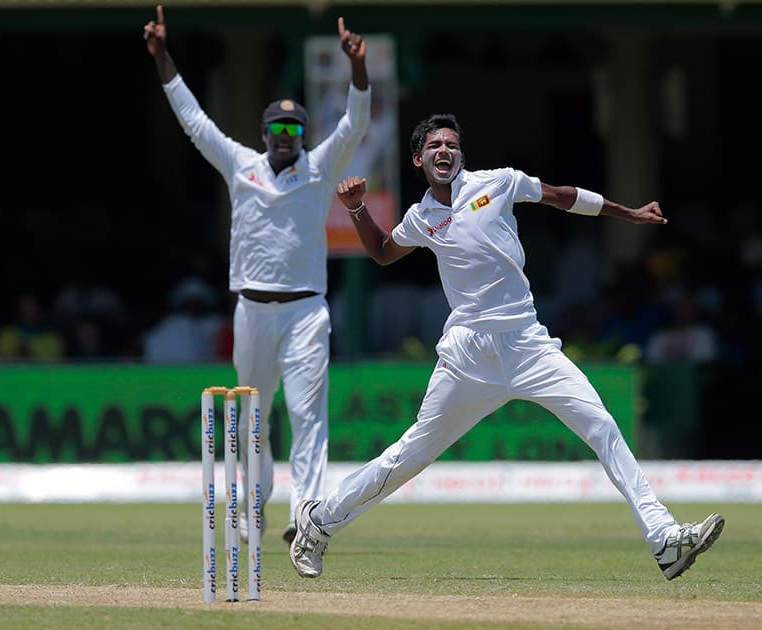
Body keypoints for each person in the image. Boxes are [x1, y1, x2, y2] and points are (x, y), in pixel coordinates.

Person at [289, 114, 724, 581]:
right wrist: (356, 209)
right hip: (468, 357)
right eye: (434, 145)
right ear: (419, 159)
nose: (444, 151)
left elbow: (562, 197)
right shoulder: (421, 217)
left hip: (528, 343)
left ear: (461, 155)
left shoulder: (497, 183)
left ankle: (665, 540)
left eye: (452, 145)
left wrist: (630, 213)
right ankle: (319, 522)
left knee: (602, 425)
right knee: (410, 454)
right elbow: (380, 252)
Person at [143, 5, 371, 543]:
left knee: (308, 414)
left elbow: (356, 123)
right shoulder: (239, 164)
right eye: (278, 127)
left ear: (303, 134)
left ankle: (306, 513)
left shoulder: (320, 167)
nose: (286, 134)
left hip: (306, 309)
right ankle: (253, 506)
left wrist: (358, 70)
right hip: (251, 309)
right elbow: (194, 121)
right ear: (265, 132)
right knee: (251, 415)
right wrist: (161, 56)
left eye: (294, 127)